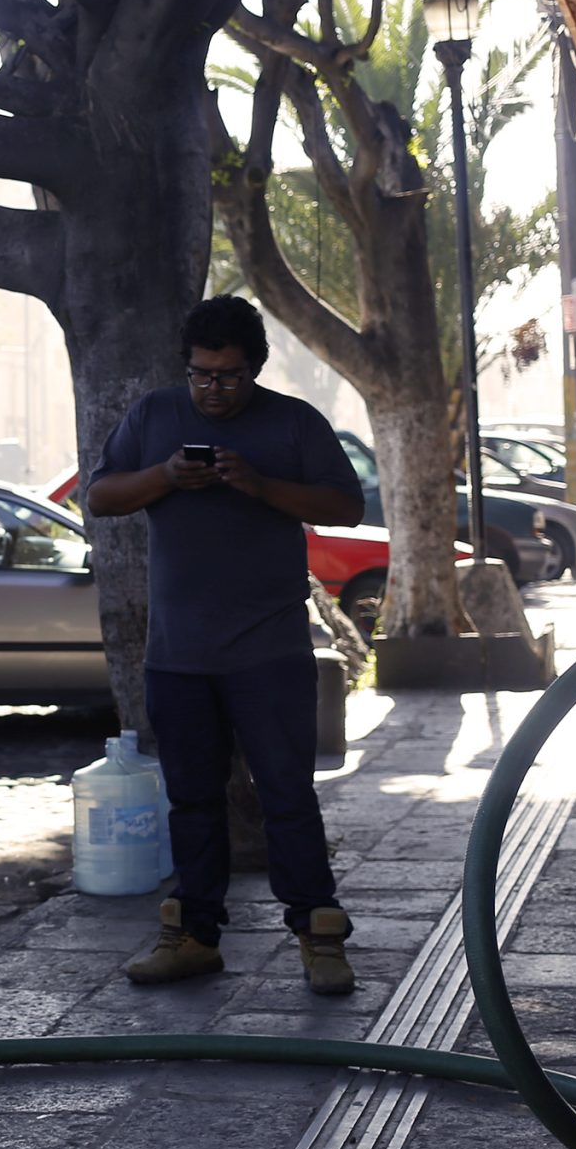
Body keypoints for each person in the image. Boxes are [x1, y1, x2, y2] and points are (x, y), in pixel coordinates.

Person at [85, 296, 367, 995]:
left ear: (255, 370)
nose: (214, 389)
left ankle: (317, 935)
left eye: (230, 376)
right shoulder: (154, 417)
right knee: (192, 801)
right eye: (202, 375)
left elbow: (347, 505)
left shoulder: (293, 423)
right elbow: (101, 496)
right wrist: (166, 477)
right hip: (177, 656)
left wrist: (260, 485)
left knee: (287, 796)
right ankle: (193, 935)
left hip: (269, 652)